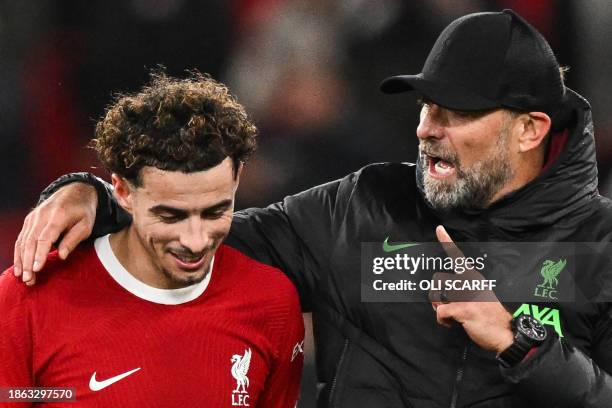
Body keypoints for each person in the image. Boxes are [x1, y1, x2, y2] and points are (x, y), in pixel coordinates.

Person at [12, 9, 612, 407]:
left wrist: (517, 342)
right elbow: (206, 234)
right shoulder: (365, 207)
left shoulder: (601, 246)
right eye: (427, 107)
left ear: (531, 129)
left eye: (458, 113)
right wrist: (92, 195)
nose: (428, 129)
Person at [1, 72, 304, 407]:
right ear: (122, 190)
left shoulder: (273, 303)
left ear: (238, 180)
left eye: (215, 212)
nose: (195, 240)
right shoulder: (27, 300)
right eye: (171, 216)